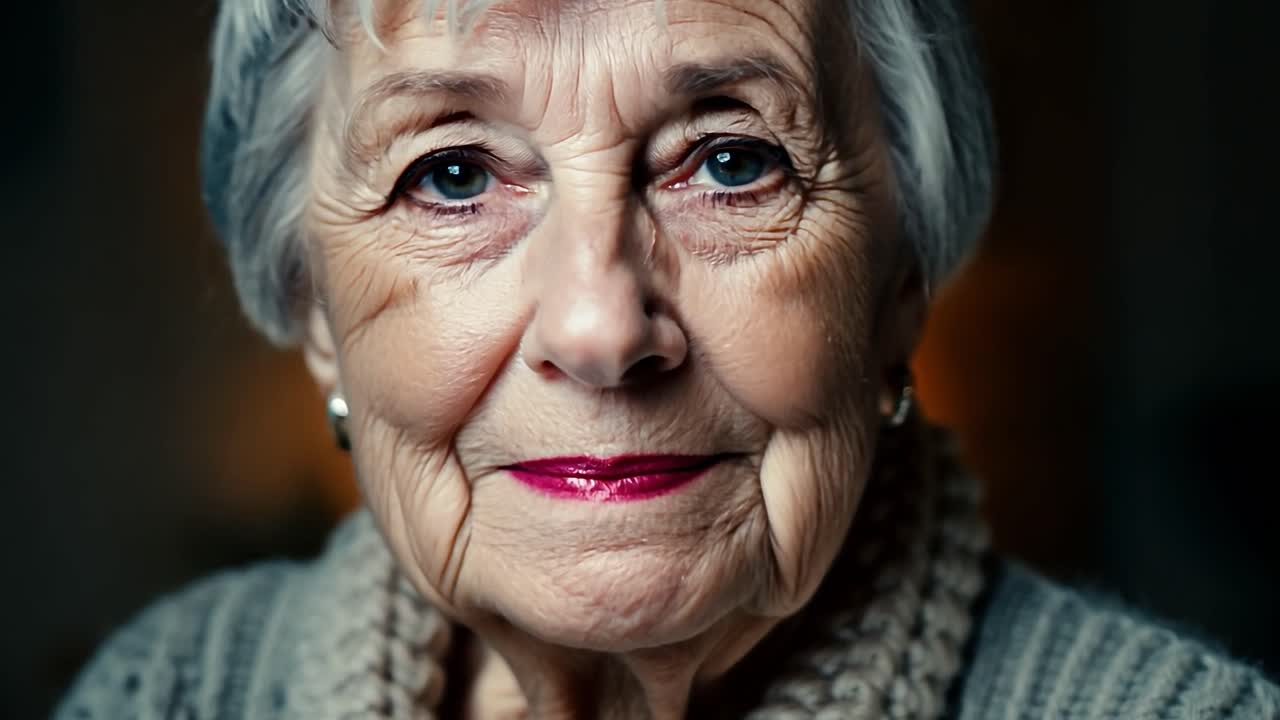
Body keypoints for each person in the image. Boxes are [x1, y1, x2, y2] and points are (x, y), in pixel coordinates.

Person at [55, 0, 1280, 717]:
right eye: (452, 173)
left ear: (900, 278)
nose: (598, 330)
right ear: (314, 303)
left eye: (732, 160)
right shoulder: (172, 688)